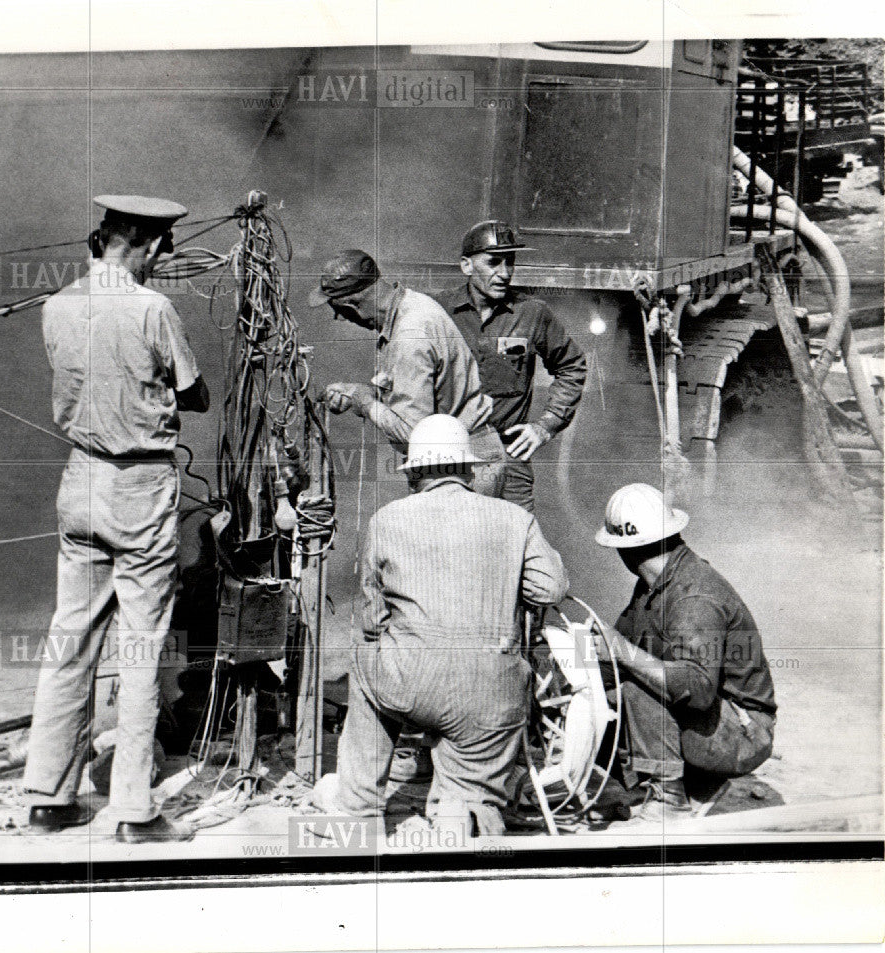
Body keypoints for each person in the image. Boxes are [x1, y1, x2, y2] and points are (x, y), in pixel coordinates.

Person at [22, 194, 210, 843]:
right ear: (152, 246)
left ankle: (49, 796)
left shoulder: (57, 304)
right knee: (139, 646)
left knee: (69, 636)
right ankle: (134, 810)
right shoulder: (153, 308)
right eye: (165, 249)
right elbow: (195, 391)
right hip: (138, 484)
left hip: (80, 479)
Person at [315, 415, 569, 837]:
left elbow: (372, 618)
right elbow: (550, 590)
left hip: (409, 683)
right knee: (471, 783)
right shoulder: (513, 518)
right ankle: (464, 812)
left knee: (363, 663)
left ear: (414, 472)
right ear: (468, 470)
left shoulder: (387, 520)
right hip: (492, 690)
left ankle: (358, 815)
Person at [593, 483, 777, 819]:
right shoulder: (655, 585)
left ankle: (669, 800)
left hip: (742, 732)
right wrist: (577, 662)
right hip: (714, 722)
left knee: (636, 688)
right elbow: (615, 650)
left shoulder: (694, 597)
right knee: (607, 687)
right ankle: (614, 786)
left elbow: (698, 691)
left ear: (624, 549)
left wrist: (622, 653)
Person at [308, 249, 506, 494]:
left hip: (463, 466)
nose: (342, 318)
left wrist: (366, 402)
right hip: (465, 455)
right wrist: (359, 392)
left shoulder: (409, 337)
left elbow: (414, 435)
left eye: (338, 312)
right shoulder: (411, 303)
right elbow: (424, 389)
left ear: (350, 305)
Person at [435, 221, 587, 513]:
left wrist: (546, 425)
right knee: (443, 547)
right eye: (493, 263)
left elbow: (572, 365)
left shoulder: (531, 313)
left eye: (510, 262)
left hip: (508, 456)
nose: (504, 273)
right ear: (466, 265)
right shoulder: (437, 311)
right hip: (445, 457)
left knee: (518, 546)